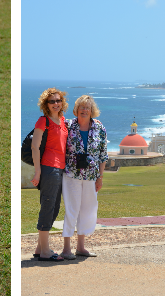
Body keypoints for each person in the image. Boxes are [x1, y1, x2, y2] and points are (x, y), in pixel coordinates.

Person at [60, 95, 107, 260]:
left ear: (92, 110)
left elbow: (103, 155)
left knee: (87, 210)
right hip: (71, 174)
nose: (84, 110)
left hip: (91, 176)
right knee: (72, 209)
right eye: (81, 107)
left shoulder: (99, 128)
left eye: (87, 107)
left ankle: (81, 247)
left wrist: (100, 177)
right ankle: (66, 248)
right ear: (76, 109)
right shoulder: (68, 125)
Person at [31, 88, 68, 261]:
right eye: (52, 101)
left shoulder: (63, 121)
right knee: (48, 207)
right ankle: (45, 251)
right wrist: (38, 171)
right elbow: (35, 146)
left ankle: (40, 248)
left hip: (61, 168)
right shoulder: (42, 121)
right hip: (49, 167)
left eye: (58, 100)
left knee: (54, 208)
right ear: (46, 104)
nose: (56, 104)